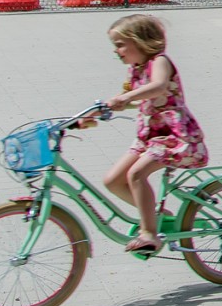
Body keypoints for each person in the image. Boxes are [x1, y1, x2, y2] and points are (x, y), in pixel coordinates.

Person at [88, 13, 209, 255]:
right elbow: (132, 99)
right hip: (149, 137)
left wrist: (126, 97)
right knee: (112, 180)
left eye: (120, 44)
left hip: (175, 137)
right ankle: (156, 215)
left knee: (136, 174)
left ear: (140, 41)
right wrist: (92, 115)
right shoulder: (137, 69)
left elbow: (158, 87)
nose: (116, 51)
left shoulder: (159, 62)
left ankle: (149, 234)